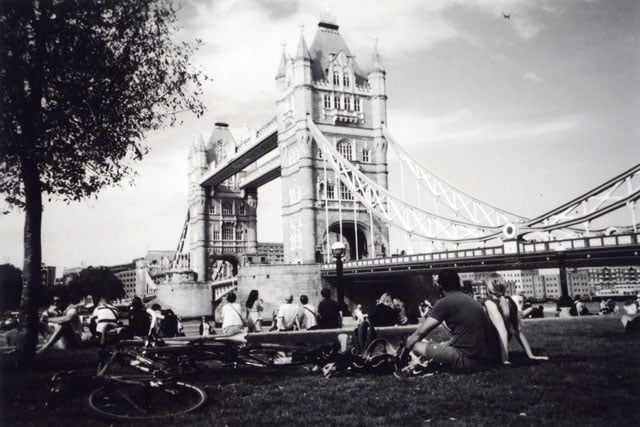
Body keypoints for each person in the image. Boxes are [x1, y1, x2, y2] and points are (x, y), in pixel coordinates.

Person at [398, 269, 500, 374]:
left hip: (466, 361)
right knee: (443, 344)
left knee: (415, 344)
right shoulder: (472, 301)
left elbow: (420, 333)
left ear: (440, 287)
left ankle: (411, 363)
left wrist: (404, 354)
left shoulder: (444, 303)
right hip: (485, 359)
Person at [483, 282, 548, 364]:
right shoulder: (510, 301)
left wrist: (505, 360)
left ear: (489, 289)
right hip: (497, 350)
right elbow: (518, 330)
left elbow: (502, 332)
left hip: (490, 351)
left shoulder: (489, 302)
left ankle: (503, 357)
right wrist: (531, 355)